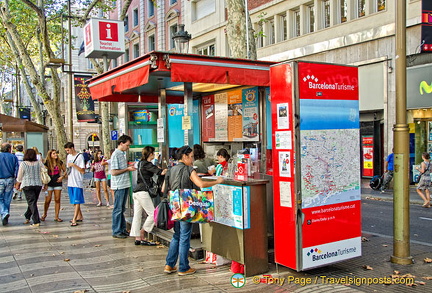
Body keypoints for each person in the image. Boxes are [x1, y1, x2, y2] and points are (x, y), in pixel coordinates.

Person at [163, 145, 224, 276]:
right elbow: (201, 184)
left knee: (177, 235)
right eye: (190, 157)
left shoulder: (170, 170)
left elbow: (164, 189)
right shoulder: (189, 169)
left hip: (174, 205)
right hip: (187, 206)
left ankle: (169, 264)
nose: (192, 160)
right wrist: (217, 181)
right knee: (185, 236)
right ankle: (183, 267)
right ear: (184, 156)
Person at [131, 146, 167, 246]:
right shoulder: (147, 164)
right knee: (153, 213)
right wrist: (168, 170)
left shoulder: (139, 163)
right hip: (143, 192)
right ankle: (143, 231)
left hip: (136, 191)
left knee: (137, 215)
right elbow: (160, 172)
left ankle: (137, 237)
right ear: (150, 154)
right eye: (153, 153)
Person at [111, 135, 136, 239]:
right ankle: (116, 230)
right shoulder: (116, 154)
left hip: (125, 184)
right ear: (121, 143)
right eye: (127, 145)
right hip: (119, 185)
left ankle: (122, 229)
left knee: (122, 208)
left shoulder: (123, 154)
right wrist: (127, 169)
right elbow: (114, 172)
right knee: (118, 208)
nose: (128, 147)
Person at [15, 148, 46, 227]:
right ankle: (27, 215)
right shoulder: (39, 163)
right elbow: (44, 170)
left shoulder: (23, 164)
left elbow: (20, 175)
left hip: (27, 184)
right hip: (38, 184)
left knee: (31, 202)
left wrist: (18, 183)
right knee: (33, 202)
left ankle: (36, 221)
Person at [41, 149, 66, 222]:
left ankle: (56, 216)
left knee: (57, 199)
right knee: (47, 200)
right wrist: (44, 184)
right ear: (50, 155)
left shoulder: (60, 163)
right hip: (49, 183)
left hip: (57, 182)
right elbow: (44, 174)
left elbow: (65, 171)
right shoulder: (47, 163)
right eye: (54, 154)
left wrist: (62, 177)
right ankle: (45, 214)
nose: (56, 155)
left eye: (56, 153)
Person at [64, 142, 85, 226]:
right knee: (73, 201)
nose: (67, 152)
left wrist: (74, 165)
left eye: (68, 150)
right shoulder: (68, 156)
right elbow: (67, 169)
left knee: (77, 201)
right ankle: (80, 216)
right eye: (66, 150)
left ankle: (74, 219)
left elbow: (82, 171)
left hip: (77, 181)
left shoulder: (80, 157)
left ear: (72, 148)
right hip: (70, 181)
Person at [0, 143, 19, 226]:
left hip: (0, 179)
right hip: (10, 179)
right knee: (7, 198)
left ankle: (4, 212)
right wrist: (17, 180)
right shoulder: (13, 157)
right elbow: (16, 168)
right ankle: (5, 215)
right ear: (9, 149)